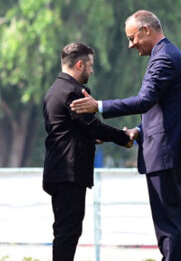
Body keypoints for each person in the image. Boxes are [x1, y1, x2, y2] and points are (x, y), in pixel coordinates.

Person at [70, 11, 181, 261]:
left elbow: (145, 100)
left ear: (146, 30)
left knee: (169, 227)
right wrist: (139, 131)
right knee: (180, 224)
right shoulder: (171, 54)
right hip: (179, 152)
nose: (131, 45)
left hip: (168, 155)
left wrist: (98, 106)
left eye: (132, 38)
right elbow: (166, 111)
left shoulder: (163, 58)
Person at [44, 42, 133, 261]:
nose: (92, 71)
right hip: (69, 172)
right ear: (80, 64)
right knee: (68, 232)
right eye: (90, 66)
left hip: (57, 169)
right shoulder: (73, 92)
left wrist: (90, 137)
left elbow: (70, 129)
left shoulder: (55, 89)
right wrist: (124, 138)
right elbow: (93, 125)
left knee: (65, 231)